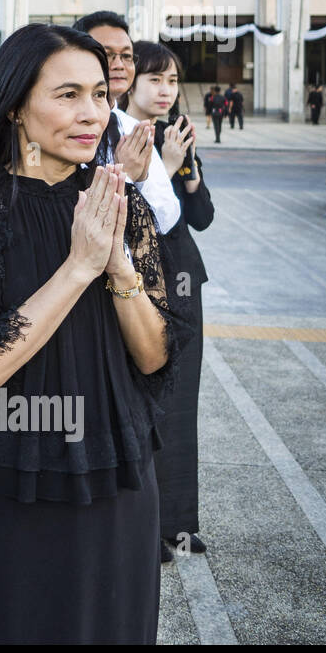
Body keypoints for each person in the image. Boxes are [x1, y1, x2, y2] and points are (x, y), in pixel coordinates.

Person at [0, 23, 178, 644]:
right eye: (67, 95)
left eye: (99, 94)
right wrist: (78, 266)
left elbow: (154, 357)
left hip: (117, 465)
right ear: (15, 105)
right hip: (12, 467)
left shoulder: (122, 202)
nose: (92, 113)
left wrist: (118, 264)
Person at [123, 42, 215, 563]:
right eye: (155, 80)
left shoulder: (178, 133)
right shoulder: (116, 135)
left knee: (182, 401)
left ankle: (179, 523)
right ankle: (146, 524)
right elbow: (146, 220)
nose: (165, 91)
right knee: (143, 400)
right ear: (132, 84)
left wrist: (189, 172)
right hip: (138, 282)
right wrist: (164, 164)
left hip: (184, 278)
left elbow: (199, 217)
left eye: (173, 81)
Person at [73, 12, 180, 234]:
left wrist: (140, 178)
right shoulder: (65, 124)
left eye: (127, 56)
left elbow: (167, 218)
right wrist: (122, 176)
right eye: (107, 54)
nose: (119, 64)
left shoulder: (132, 128)